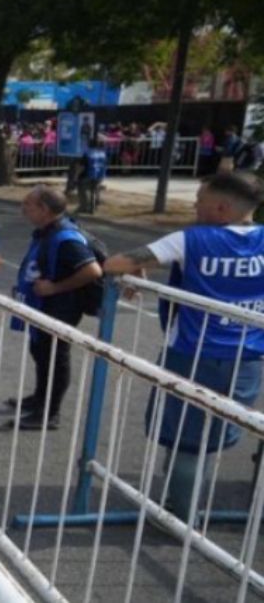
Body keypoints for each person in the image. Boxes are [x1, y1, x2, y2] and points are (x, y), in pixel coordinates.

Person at [104, 172, 264, 519]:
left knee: (187, 442)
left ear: (221, 208)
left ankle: (179, 515)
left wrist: (138, 270)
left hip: (193, 353)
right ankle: (186, 506)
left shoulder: (192, 239)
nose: (193, 205)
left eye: (199, 200)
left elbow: (115, 263)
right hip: (249, 354)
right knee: (214, 437)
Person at [6, 186, 103, 430]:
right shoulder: (48, 232)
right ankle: (39, 398)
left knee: (54, 357)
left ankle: (50, 413)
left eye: (28, 204)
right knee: (40, 351)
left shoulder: (65, 237)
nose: (23, 208)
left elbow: (92, 271)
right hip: (44, 305)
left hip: (61, 307)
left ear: (44, 209)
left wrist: (55, 288)